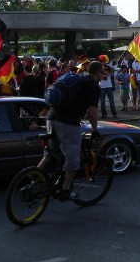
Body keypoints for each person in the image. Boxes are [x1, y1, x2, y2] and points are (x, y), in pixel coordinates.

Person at [38, 60, 102, 201]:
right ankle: (65, 189)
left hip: (51, 117)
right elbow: (92, 113)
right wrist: (95, 130)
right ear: (98, 72)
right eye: (103, 72)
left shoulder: (77, 79)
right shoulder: (93, 86)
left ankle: (33, 179)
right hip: (67, 122)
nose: (103, 75)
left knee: (51, 154)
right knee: (73, 160)